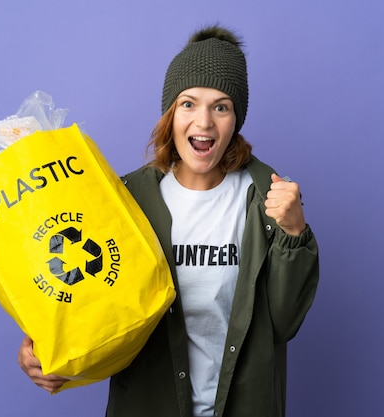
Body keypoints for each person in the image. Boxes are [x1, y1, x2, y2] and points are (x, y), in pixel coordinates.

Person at [18, 25, 320, 417]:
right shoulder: (125, 199)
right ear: (170, 113)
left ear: (236, 119)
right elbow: (87, 301)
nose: (204, 122)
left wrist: (294, 235)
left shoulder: (268, 199)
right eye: (189, 103)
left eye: (221, 106)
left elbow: (283, 324)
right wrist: (42, 349)